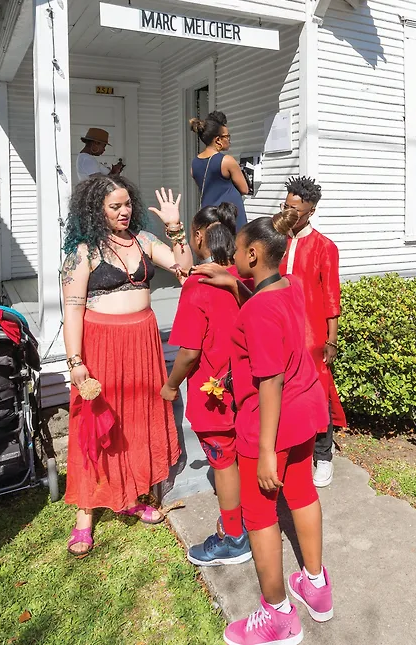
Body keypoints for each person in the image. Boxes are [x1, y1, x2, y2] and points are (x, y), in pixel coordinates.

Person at [216, 213, 332, 645]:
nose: (232, 258)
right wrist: (235, 285)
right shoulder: (291, 285)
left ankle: (278, 615)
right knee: (301, 492)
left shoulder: (258, 310)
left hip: (270, 423)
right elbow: (267, 302)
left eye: (236, 252)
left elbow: (270, 380)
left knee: (261, 515)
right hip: (306, 412)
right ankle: (316, 586)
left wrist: (266, 451)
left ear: (252, 254)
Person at [60, 176, 193, 553]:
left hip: (142, 343)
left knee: (136, 419)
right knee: (96, 425)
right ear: (96, 210)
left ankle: (131, 495)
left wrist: (175, 229)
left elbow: (185, 270)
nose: (123, 212)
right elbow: (72, 310)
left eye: (127, 204)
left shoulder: (144, 240)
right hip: (102, 345)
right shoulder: (83, 252)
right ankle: (85, 515)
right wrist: (75, 360)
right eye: (114, 206)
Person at [161, 204, 252, 567]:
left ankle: (234, 537)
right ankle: (250, 518)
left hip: (215, 394)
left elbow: (189, 352)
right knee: (243, 457)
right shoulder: (242, 277)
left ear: (199, 236)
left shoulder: (199, 285)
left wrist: (171, 385)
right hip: (248, 387)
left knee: (223, 462)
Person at [280, 178, 345, 488]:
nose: (289, 214)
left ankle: (323, 455)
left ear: (311, 211)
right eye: (285, 206)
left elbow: (332, 296)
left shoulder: (324, 247)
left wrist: (331, 339)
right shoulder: (276, 239)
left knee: (318, 393)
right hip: (279, 329)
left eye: (296, 210)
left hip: (311, 333)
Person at [191, 111, 249, 227]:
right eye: (227, 136)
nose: (229, 140)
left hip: (209, 215)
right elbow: (244, 189)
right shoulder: (227, 161)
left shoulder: (194, 163)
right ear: (218, 140)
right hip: (229, 216)